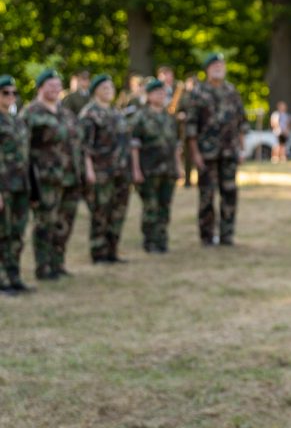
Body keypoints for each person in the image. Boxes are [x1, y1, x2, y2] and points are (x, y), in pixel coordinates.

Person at [23, 69, 81, 280]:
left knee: (64, 222)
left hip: (70, 177)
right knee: (45, 223)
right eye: (51, 85)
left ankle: (58, 263)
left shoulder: (65, 112)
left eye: (58, 86)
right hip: (46, 178)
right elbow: (23, 148)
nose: (55, 89)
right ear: (40, 87)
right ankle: (43, 266)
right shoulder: (31, 113)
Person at [186, 53, 249, 246]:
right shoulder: (198, 93)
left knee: (229, 193)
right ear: (207, 70)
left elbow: (241, 122)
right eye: (214, 65)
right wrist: (195, 153)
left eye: (221, 65)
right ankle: (206, 236)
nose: (218, 68)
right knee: (207, 195)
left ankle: (227, 235)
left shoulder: (232, 91)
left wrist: (241, 148)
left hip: (230, 152)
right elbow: (190, 127)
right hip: (206, 154)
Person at [80, 74, 131, 263]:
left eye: (111, 88)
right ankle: (98, 252)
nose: (109, 91)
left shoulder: (117, 113)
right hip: (101, 172)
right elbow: (84, 147)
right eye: (104, 88)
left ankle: (112, 251)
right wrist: (89, 171)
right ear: (95, 91)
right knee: (100, 212)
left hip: (120, 172)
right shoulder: (89, 114)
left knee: (118, 212)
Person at [130, 79, 182, 253]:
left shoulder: (169, 117)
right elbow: (134, 146)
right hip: (149, 170)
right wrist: (136, 170)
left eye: (163, 93)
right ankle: (150, 241)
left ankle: (161, 240)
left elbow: (175, 145)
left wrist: (178, 167)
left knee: (164, 207)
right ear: (149, 95)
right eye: (157, 93)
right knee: (150, 207)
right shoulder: (140, 117)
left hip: (167, 170)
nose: (161, 96)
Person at [0, 75, 32, 294]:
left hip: (20, 184)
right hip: (3, 186)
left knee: (17, 233)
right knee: (2, 232)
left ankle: (14, 275)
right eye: (5, 92)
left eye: (14, 93)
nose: (11, 96)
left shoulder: (17, 120)